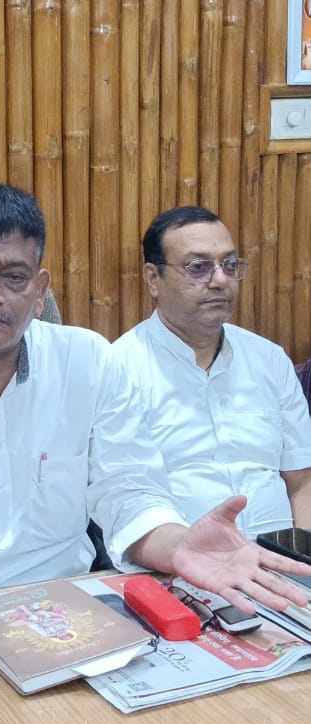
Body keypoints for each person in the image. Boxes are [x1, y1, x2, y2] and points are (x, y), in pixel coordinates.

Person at [0, 183, 311, 680]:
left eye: (13, 277)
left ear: (40, 290)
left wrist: (178, 545)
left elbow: (129, 492)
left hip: (70, 622)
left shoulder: (88, 360)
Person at [113, 205, 311, 539]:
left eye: (229, 265)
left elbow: (302, 481)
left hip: (282, 558)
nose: (220, 280)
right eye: (198, 267)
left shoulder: (269, 359)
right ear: (153, 279)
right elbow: (122, 500)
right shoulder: (119, 369)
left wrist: (302, 559)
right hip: (176, 561)